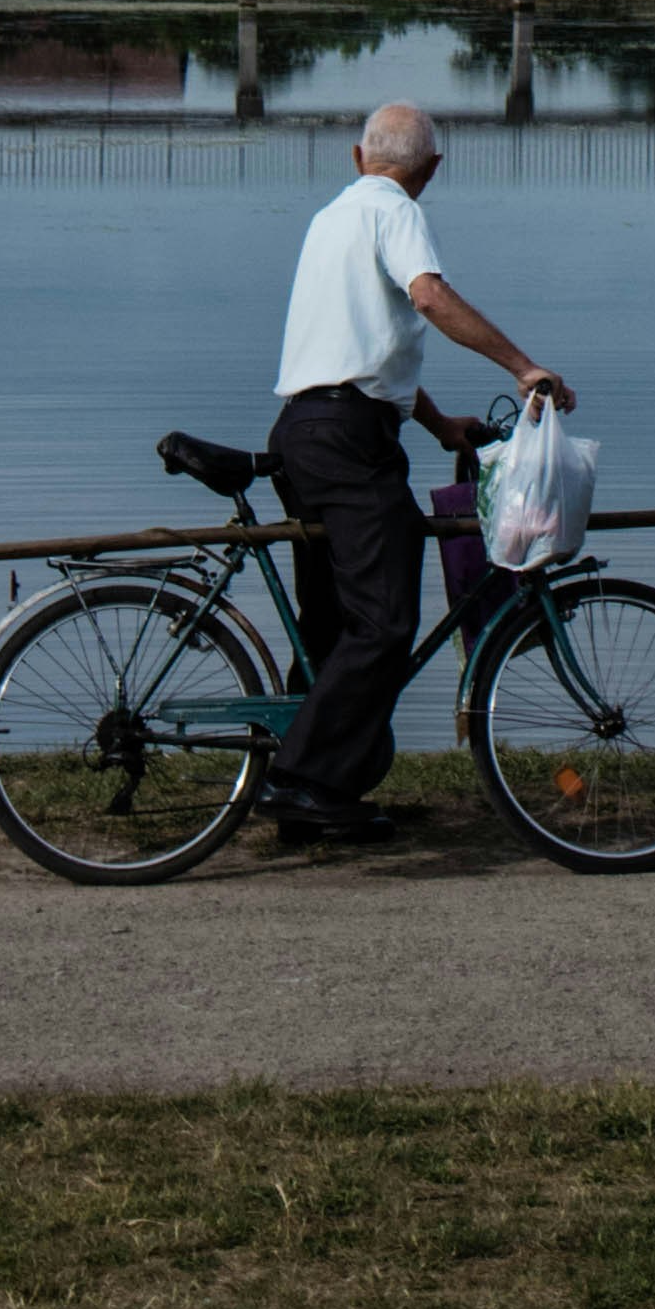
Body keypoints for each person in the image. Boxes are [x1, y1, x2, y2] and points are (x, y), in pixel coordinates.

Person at [259, 102, 564, 853]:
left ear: (355, 156)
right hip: (350, 445)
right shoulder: (396, 211)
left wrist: (435, 426)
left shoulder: (332, 217)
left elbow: (361, 350)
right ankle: (299, 777)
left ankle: (316, 799)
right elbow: (427, 296)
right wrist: (522, 366)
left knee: (331, 627)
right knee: (387, 620)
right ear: (430, 170)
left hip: (302, 431)